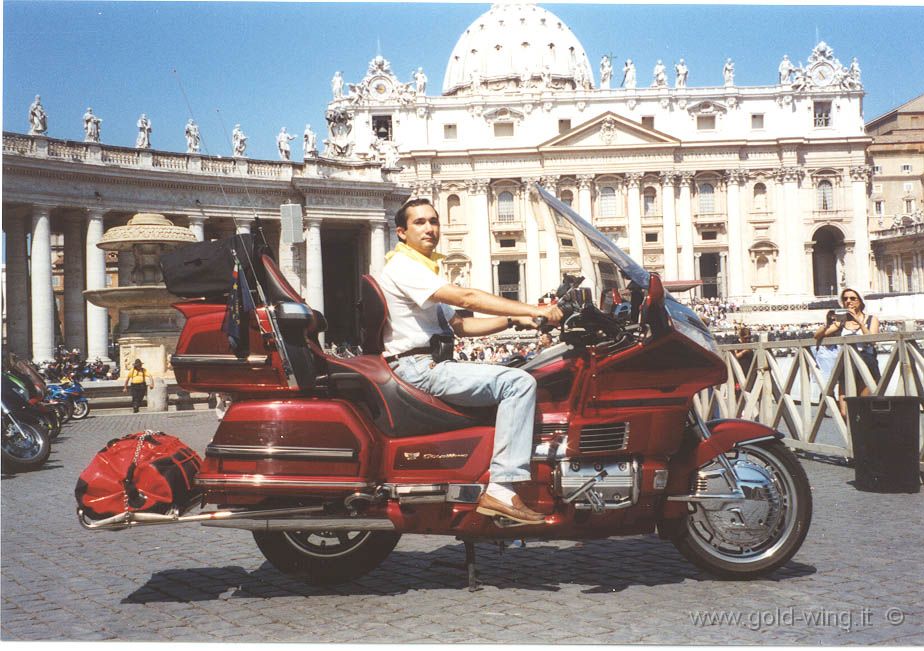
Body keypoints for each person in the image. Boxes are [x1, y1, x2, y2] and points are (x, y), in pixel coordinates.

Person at [375, 198, 563, 524]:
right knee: (518, 383)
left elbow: (461, 325)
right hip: (419, 367)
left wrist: (515, 322)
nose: (431, 228)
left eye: (434, 221)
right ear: (402, 232)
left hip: (427, 363)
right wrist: (532, 308)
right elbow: (467, 298)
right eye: (420, 222)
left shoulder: (422, 267)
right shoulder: (403, 267)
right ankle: (502, 489)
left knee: (520, 371)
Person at [814, 288, 880, 418]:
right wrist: (828, 323)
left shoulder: (872, 319)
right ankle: (852, 435)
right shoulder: (841, 322)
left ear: (860, 301)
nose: (848, 301)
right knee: (844, 412)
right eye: (845, 299)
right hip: (846, 365)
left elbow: (872, 340)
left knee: (863, 405)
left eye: (852, 298)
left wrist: (860, 322)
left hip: (866, 363)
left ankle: (860, 437)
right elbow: (817, 336)